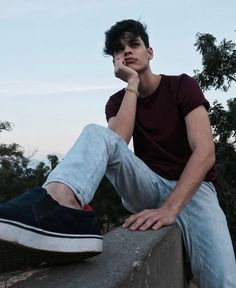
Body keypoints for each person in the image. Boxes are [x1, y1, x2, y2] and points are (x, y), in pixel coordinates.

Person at [0, 19, 235, 287]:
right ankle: (56, 206)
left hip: (196, 191)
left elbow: (205, 152)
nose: (127, 52)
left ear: (150, 52)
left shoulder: (182, 85)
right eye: (119, 49)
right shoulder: (117, 101)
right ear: (114, 61)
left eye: (134, 44)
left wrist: (170, 208)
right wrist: (132, 84)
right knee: (96, 133)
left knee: (223, 280)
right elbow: (116, 143)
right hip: (147, 184)